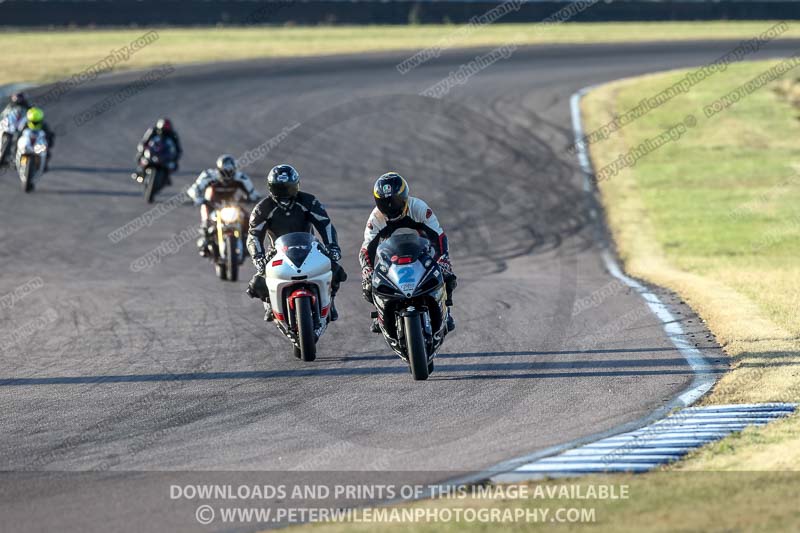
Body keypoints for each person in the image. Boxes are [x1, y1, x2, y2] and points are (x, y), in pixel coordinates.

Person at [246, 164, 346, 322]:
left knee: (337, 271)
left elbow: (325, 224)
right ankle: (270, 304)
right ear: (271, 187)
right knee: (256, 285)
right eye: (280, 188)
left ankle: (330, 300)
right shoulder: (263, 208)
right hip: (277, 252)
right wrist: (258, 257)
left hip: (310, 246)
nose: (285, 192)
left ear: (296, 185)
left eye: (287, 187)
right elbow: (253, 235)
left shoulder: (308, 201)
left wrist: (332, 247)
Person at [359, 172, 456, 333]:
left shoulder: (419, 208)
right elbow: (366, 247)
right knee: (368, 286)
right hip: (391, 257)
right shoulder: (376, 217)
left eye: (395, 201)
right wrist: (366, 269)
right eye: (384, 203)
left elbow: (438, 236)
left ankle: (446, 310)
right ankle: (380, 315)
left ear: (404, 198)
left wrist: (443, 258)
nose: (390, 207)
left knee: (447, 275)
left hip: (421, 253)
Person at [187, 154, 261, 255]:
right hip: (212, 204)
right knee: (206, 218)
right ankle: (206, 238)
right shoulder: (209, 176)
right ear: (218, 170)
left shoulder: (241, 178)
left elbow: (253, 193)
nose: (227, 175)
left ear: (234, 170)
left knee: (248, 220)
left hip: (232, 205)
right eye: (224, 172)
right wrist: (198, 198)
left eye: (230, 172)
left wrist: (252, 198)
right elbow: (193, 189)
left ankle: (248, 243)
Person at [133, 118, 182, 183]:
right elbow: (144, 142)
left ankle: (165, 178)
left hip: (165, 156)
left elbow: (178, 149)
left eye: (166, 130)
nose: (164, 132)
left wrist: (175, 156)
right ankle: (140, 172)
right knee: (141, 157)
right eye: (162, 130)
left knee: (174, 165)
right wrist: (143, 148)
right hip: (153, 153)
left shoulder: (173, 135)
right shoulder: (153, 131)